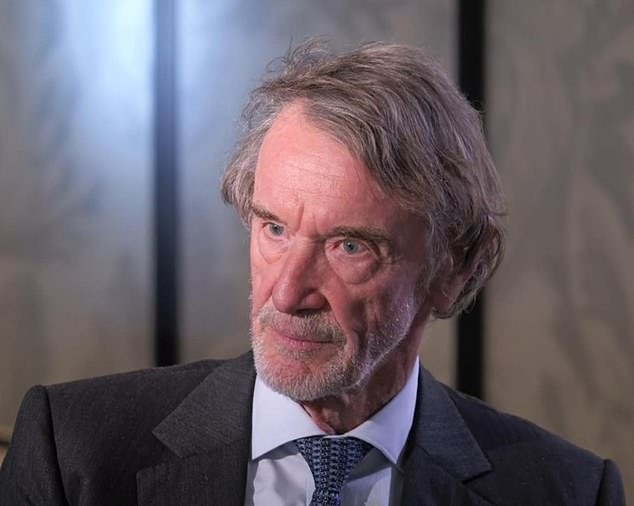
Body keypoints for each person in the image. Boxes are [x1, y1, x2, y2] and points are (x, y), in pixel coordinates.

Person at [0, 41, 625, 505]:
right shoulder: (76, 454)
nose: (287, 291)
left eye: (349, 246)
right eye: (274, 229)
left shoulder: (565, 491)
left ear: (453, 266)